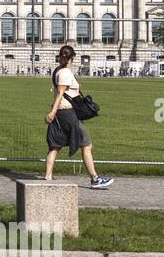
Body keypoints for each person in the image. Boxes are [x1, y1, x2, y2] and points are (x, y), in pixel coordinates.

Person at [44, 45, 113, 189]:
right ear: (73, 57)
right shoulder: (65, 72)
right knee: (86, 144)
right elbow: (60, 94)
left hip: (61, 113)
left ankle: (48, 176)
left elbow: (62, 92)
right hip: (67, 113)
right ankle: (95, 178)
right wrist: (52, 112)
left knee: (56, 146)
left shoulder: (58, 70)